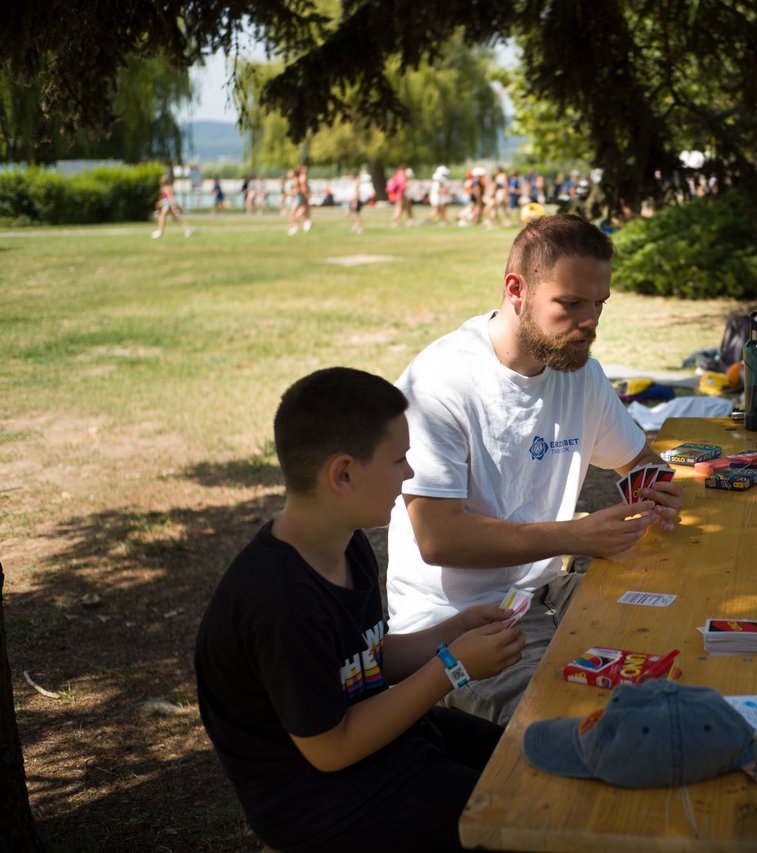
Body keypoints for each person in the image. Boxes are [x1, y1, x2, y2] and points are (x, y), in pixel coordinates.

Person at [195, 367, 525, 852]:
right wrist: (452, 669)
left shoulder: (346, 545)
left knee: (528, 765)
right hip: (324, 804)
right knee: (518, 821)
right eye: (398, 459)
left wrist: (452, 632)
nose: (410, 473)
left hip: (387, 747)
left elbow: (369, 657)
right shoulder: (280, 603)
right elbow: (331, 748)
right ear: (344, 473)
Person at [385, 214, 684, 725]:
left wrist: (655, 489)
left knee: (687, 648)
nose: (589, 321)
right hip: (460, 630)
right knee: (587, 726)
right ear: (516, 290)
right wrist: (576, 536)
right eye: (570, 304)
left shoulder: (577, 368)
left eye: (599, 305)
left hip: (548, 599)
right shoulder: (441, 383)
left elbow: (638, 461)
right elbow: (439, 539)